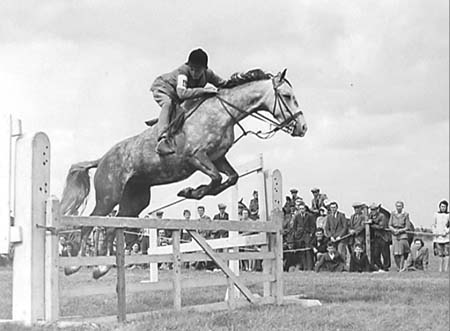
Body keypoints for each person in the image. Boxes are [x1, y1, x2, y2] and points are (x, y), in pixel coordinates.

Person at [149, 48, 227, 155]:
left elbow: (223, 84)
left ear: (204, 69)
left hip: (176, 97)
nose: (194, 73)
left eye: (198, 69)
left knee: (186, 109)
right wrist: (204, 90)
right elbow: (182, 93)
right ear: (188, 66)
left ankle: (163, 118)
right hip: (163, 88)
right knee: (167, 104)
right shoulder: (183, 72)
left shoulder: (208, 74)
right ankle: (162, 139)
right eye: (192, 69)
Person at [290, 203, 316, 270]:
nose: (302, 210)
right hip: (299, 236)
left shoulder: (310, 216)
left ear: (305, 209)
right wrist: (295, 234)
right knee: (302, 252)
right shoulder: (297, 216)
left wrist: (311, 234)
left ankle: (310, 267)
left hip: (307, 235)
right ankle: (304, 267)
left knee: (308, 251)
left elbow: (313, 226)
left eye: (303, 208)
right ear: (298, 209)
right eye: (300, 209)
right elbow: (294, 227)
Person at [389, 201, 413, 271]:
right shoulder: (393, 214)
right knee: (395, 253)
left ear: (402, 207)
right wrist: (393, 230)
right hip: (394, 234)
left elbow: (407, 226)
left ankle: (401, 267)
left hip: (402, 234)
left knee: (401, 252)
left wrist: (400, 231)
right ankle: (398, 266)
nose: (398, 207)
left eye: (400, 206)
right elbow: (390, 225)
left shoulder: (406, 214)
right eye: (397, 206)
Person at [368, 203, 391, 271]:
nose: (372, 211)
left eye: (374, 209)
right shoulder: (370, 216)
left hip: (383, 237)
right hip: (376, 238)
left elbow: (381, 226)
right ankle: (380, 266)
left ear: (377, 209)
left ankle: (386, 267)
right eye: (371, 210)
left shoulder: (382, 216)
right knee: (376, 254)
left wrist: (371, 225)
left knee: (385, 254)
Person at [432, 200, 449, 272]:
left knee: (447, 254)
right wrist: (435, 232)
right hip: (438, 237)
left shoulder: (448, 215)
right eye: (442, 206)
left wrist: (446, 232)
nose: (443, 208)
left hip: (447, 238)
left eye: (444, 207)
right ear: (439, 207)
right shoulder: (436, 215)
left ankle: (445, 269)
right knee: (440, 254)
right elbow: (433, 225)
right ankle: (440, 269)